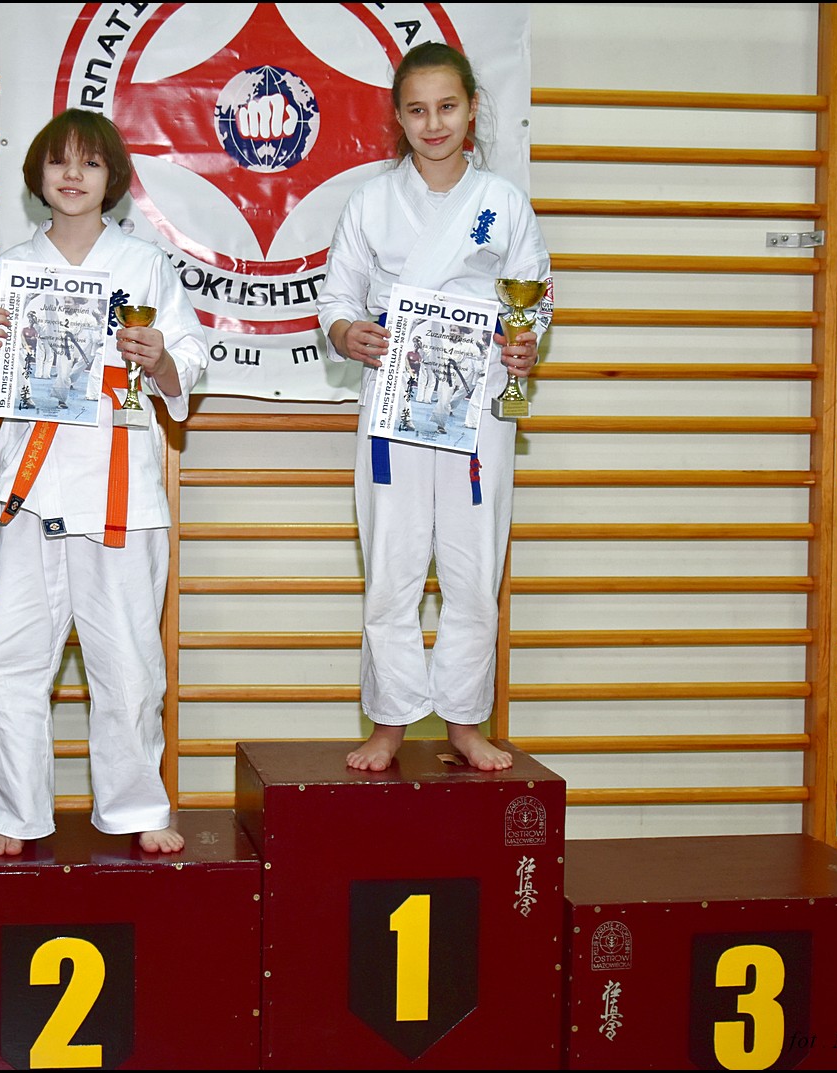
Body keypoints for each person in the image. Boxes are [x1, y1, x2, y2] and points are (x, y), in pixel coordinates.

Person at [0, 109, 207, 855]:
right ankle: (15, 812)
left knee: (129, 660)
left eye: (90, 163)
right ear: (37, 174)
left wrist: (161, 358)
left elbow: (188, 366)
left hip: (121, 487)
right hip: (31, 490)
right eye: (59, 161)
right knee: (14, 660)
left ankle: (135, 807)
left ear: (114, 179)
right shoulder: (10, 270)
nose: (73, 175)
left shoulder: (147, 266)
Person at [318, 42, 553, 773]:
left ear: (472, 108)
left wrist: (525, 346)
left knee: (472, 566)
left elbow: (534, 298)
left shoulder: (503, 204)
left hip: (476, 403)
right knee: (391, 563)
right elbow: (336, 297)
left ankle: (464, 719)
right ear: (398, 117)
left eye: (448, 106)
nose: (434, 123)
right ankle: (389, 721)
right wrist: (346, 332)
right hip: (394, 397)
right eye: (417, 110)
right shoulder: (370, 203)